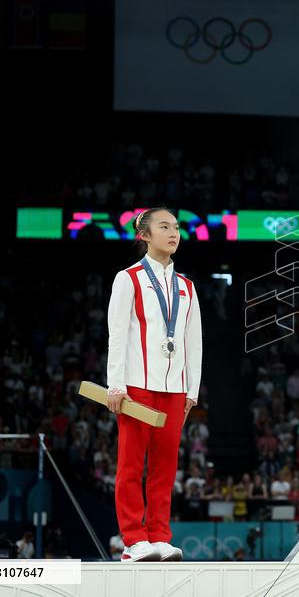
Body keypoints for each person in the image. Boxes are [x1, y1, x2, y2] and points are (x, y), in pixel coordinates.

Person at [106, 207, 203, 562]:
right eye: (164, 227)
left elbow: (195, 341)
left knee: (165, 468)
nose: (173, 233)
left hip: (175, 390)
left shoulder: (187, 287)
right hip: (137, 385)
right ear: (144, 235)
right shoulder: (127, 279)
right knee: (131, 465)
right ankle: (133, 540)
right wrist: (116, 384)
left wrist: (191, 389)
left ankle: (160, 536)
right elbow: (117, 335)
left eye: (176, 227)